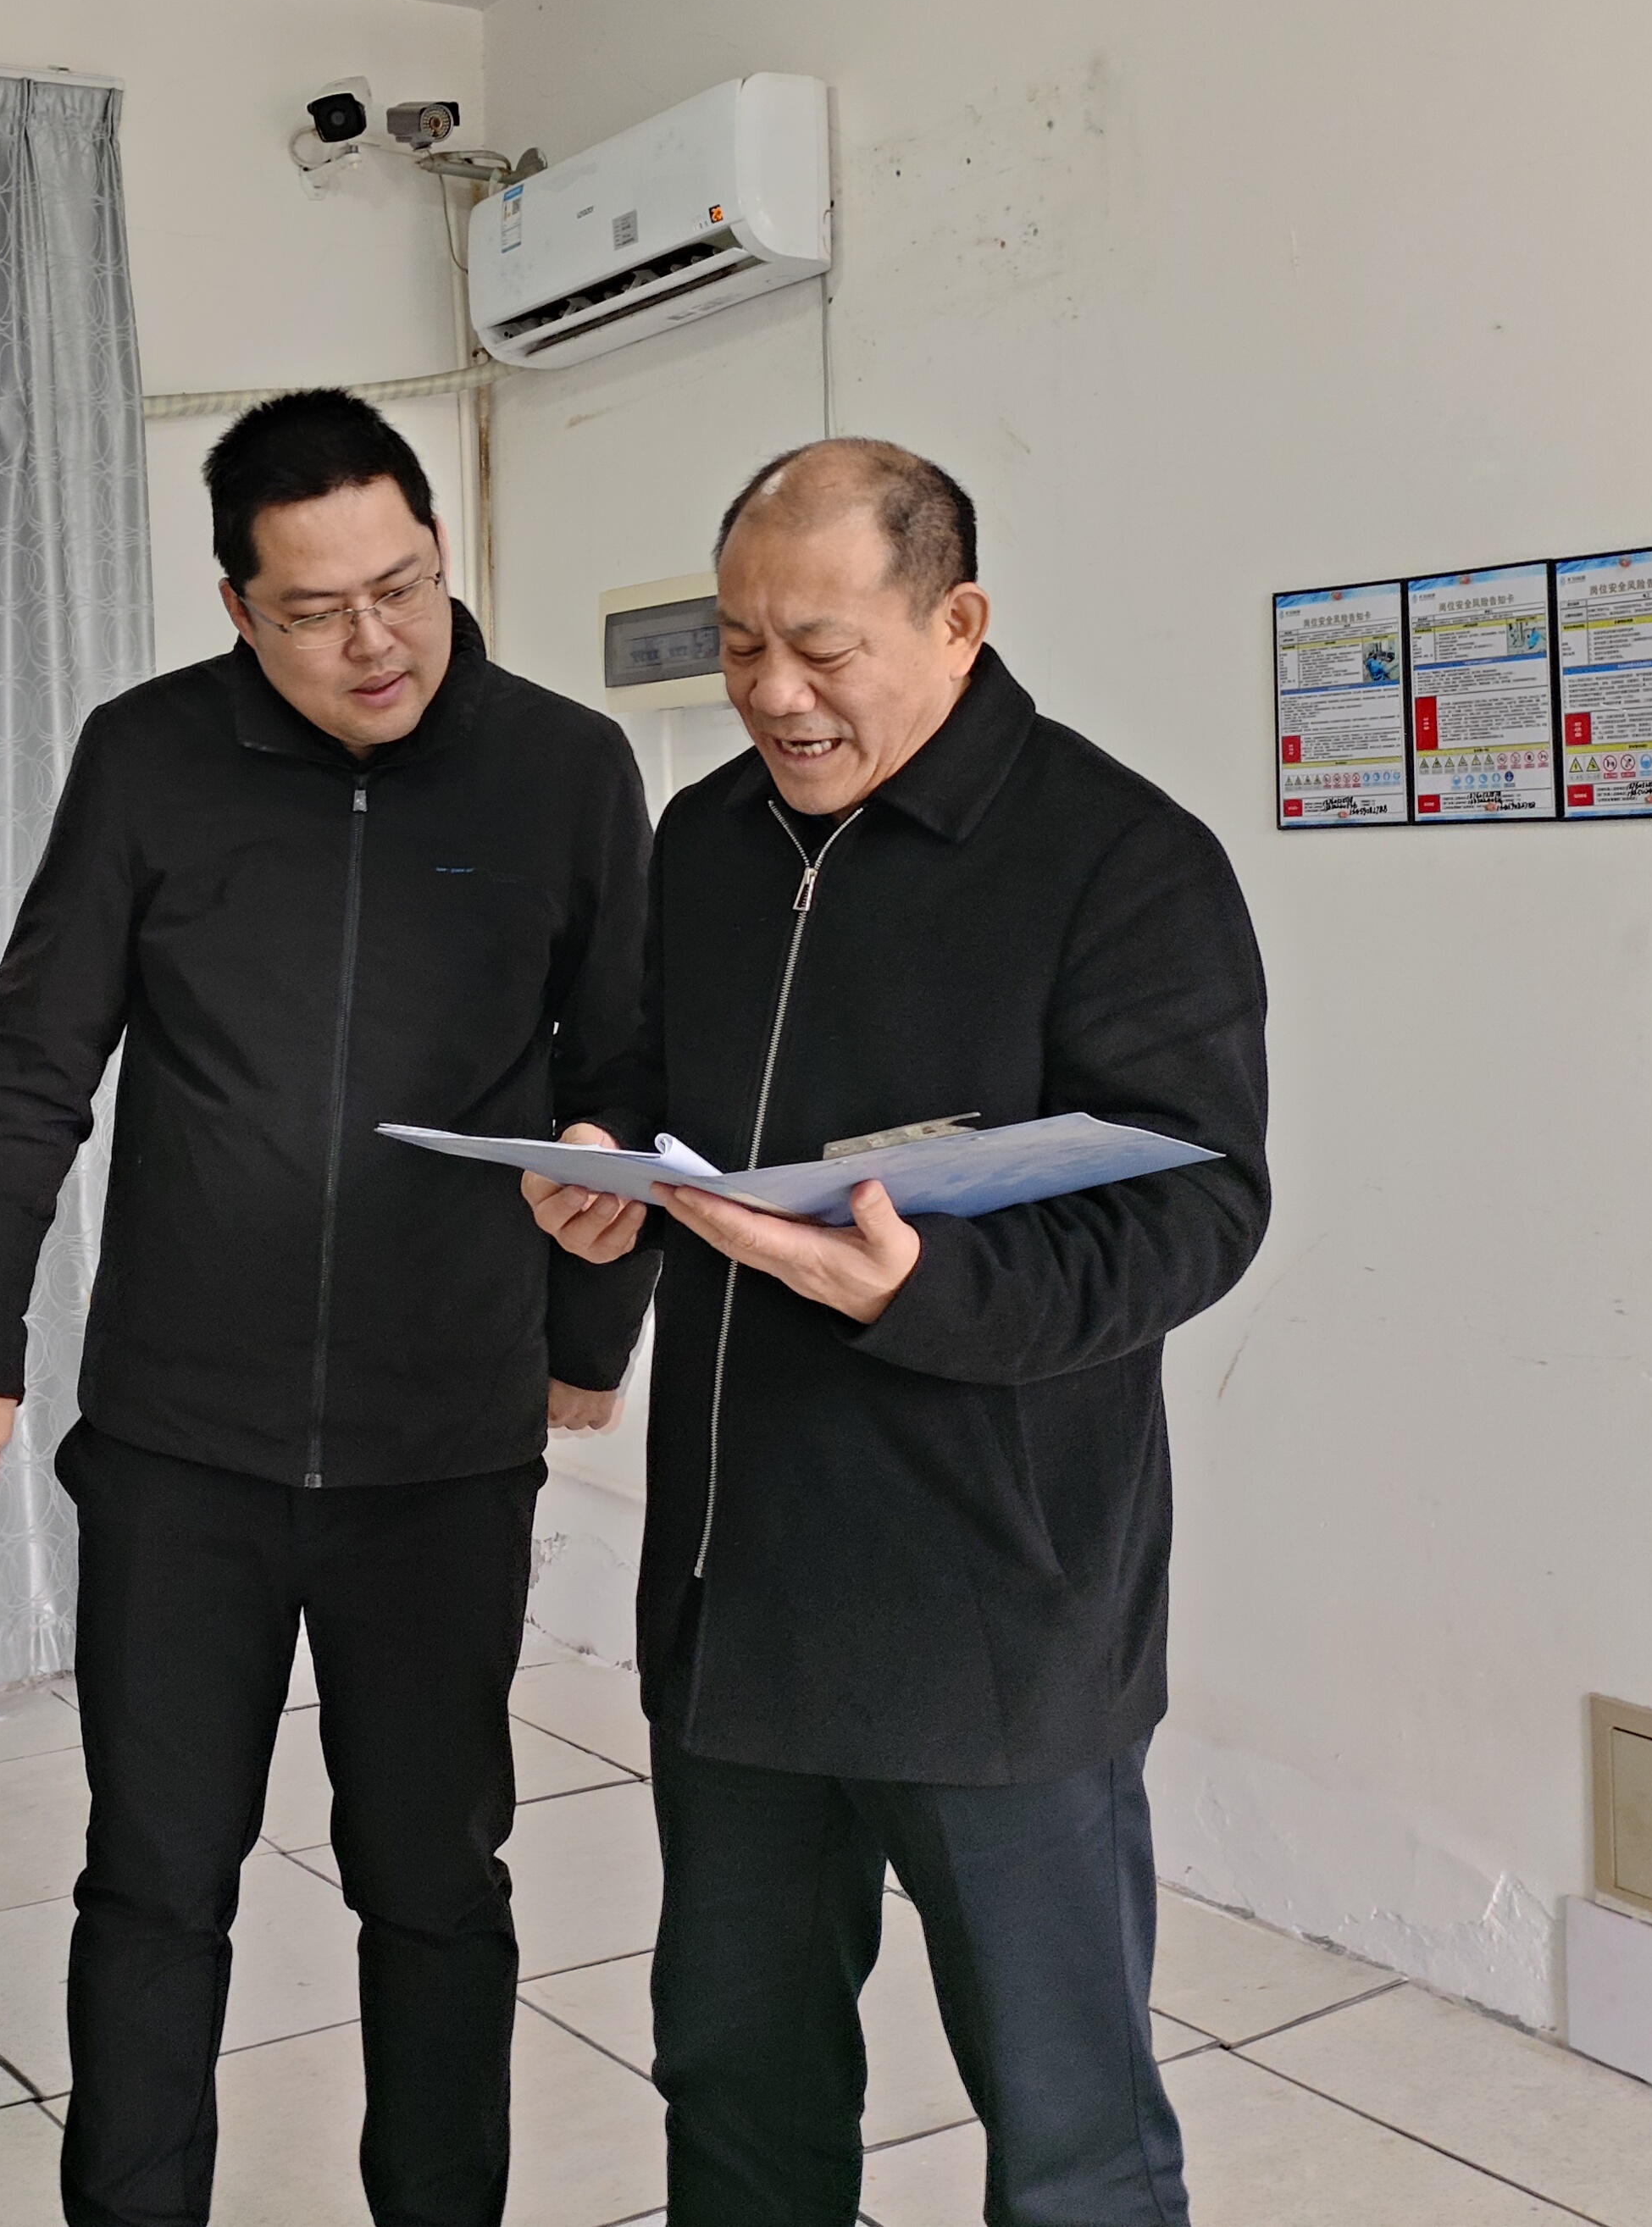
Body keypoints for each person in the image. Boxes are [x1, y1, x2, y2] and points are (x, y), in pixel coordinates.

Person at [0, 390, 657, 2227]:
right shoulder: (148, 757)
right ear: (239, 606)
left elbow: (626, 1076)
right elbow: (32, 1058)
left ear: (438, 550)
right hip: (183, 1442)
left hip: (442, 1441)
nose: (374, 640)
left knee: (434, 1882)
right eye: (316, 610)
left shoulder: (563, 767)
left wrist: (587, 1335)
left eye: (401, 586)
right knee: (155, 1881)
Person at [523, 440, 1269, 2227]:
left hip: (996, 1609)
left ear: (957, 621)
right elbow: (643, 1083)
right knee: (736, 2087)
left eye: (822, 648)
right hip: (737, 1592)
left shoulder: (1119, 861)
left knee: (1067, 2130)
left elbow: (1196, 1210)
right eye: (737, 646)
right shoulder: (706, 841)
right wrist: (601, 1167)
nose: (772, 694)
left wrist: (918, 1294)